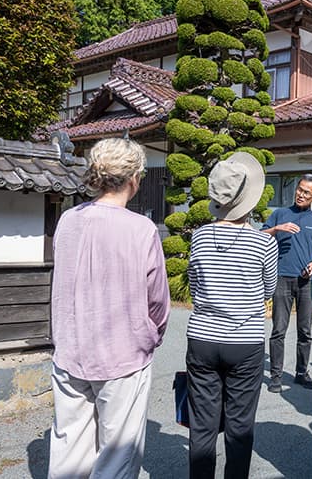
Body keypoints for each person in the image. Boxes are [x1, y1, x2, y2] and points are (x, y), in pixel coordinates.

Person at [48, 137, 170, 478]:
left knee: (68, 446)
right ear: (133, 179)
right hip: (123, 353)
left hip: (71, 347)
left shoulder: (69, 220)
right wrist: (151, 334)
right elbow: (158, 300)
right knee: (117, 452)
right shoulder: (141, 228)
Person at [186, 152, 278, 479]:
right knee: (239, 425)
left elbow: (195, 286)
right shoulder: (263, 244)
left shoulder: (198, 237)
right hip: (245, 340)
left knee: (202, 423)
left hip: (203, 337)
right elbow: (268, 291)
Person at [262, 174, 312, 392]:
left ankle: (302, 372)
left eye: (306, 192)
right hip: (281, 278)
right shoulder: (280, 214)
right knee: (278, 329)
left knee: (305, 330)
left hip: (305, 282)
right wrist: (277, 229)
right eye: (299, 189)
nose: (301, 194)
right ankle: (275, 376)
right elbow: (261, 236)